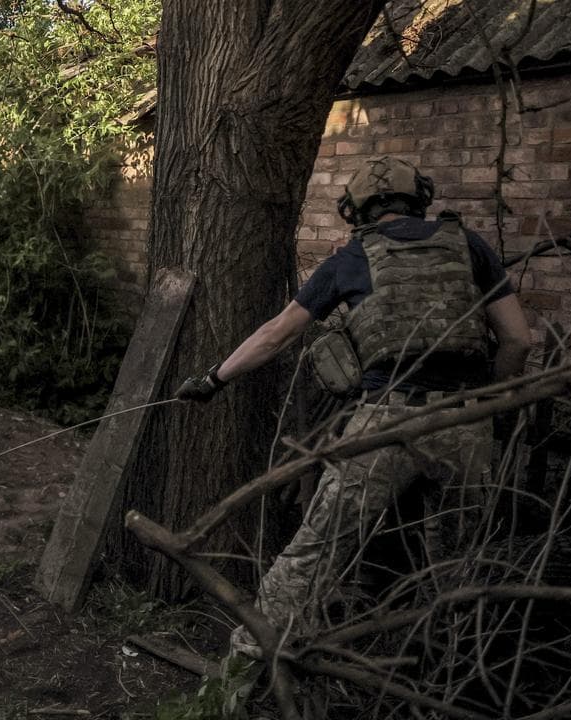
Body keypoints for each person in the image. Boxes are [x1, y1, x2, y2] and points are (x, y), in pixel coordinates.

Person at [175, 156, 532, 655]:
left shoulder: (351, 259)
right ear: (419, 198)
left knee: (317, 548)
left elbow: (275, 336)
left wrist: (213, 379)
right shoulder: (468, 245)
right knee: (459, 562)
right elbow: (517, 339)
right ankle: (450, 669)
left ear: (357, 209)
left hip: (384, 421)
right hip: (465, 420)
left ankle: (250, 661)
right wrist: (487, 404)